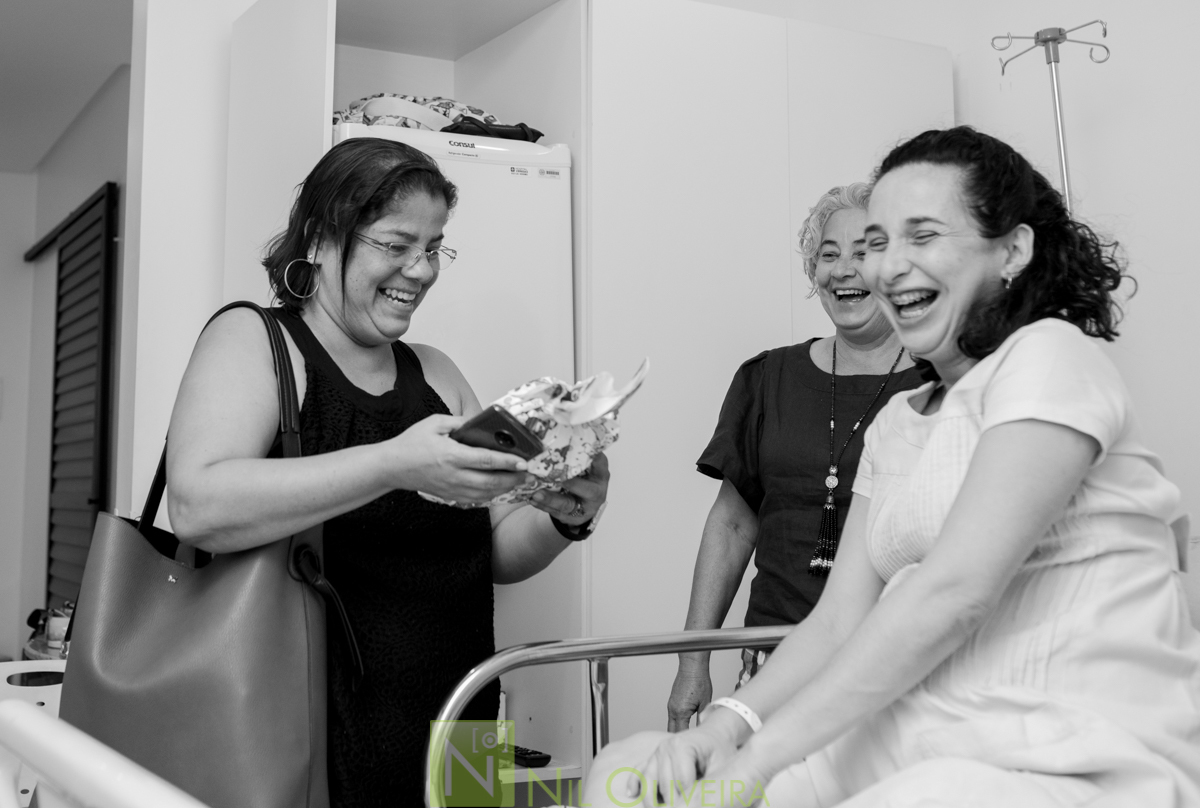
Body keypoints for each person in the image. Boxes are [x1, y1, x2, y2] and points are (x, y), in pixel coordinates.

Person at [585, 126, 1200, 807]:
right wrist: (724, 729)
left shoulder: (1050, 358)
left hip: (1061, 749)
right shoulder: (899, 423)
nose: (885, 266)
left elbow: (955, 592)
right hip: (921, 736)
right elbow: (836, 621)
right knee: (629, 775)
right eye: (880, 241)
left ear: (1013, 250)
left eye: (923, 235)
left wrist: (760, 759)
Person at [165, 137, 609, 806]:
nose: (422, 270)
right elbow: (198, 506)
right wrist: (394, 463)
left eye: (434, 248)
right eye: (397, 244)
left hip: (462, 726)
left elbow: (488, 554)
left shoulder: (436, 372)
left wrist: (560, 514)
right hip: (309, 740)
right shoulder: (256, 341)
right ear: (320, 238)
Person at [668, 184, 922, 731]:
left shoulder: (938, 383)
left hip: (897, 670)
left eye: (864, 252)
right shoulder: (768, 378)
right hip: (773, 664)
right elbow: (733, 525)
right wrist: (694, 660)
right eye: (828, 255)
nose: (843, 270)